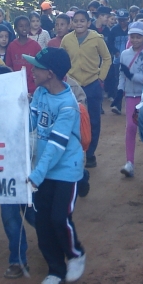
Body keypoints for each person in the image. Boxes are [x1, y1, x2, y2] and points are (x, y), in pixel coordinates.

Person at [23, 47, 86, 284]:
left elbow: (56, 144)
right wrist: (22, 107)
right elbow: (32, 124)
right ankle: (55, 268)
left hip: (65, 170)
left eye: (36, 67)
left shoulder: (68, 105)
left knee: (60, 218)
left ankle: (75, 253)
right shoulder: (39, 92)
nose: (32, 70)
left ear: (49, 73)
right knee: (42, 221)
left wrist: (36, 174)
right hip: (43, 169)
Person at [0, 65, 32, 279]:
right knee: (9, 217)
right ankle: (18, 260)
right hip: (5, 174)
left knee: (35, 217)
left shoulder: (25, 107)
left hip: (28, 172)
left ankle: (61, 245)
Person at [60, 10, 111, 169]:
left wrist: (100, 77)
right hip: (73, 86)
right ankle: (72, 152)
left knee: (93, 120)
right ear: (72, 23)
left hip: (92, 84)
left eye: (83, 21)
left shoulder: (96, 38)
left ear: (89, 23)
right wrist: (65, 78)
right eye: (76, 21)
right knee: (72, 119)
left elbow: (107, 58)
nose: (79, 23)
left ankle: (90, 154)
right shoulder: (67, 40)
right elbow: (61, 59)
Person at [117, 21, 143, 178]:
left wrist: (132, 76)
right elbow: (122, 74)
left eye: (138, 37)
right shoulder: (124, 54)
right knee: (130, 127)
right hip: (130, 95)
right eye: (133, 36)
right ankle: (129, 162)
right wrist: (119, 90)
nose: (135, 39)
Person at [5, 15, 41, 93]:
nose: (24, 28)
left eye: (26, 26)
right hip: (16, 87)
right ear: (16, 29)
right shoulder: (11, 46)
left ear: (30, 27)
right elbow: (9, 66)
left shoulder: (35, 45)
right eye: (21, 26)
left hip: (33, 87)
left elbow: (40, 65)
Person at [106, 9, 131, 114]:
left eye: (124, 20)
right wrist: (115, 51)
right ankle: (117, 105)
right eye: (120, 20)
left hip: (131, 60)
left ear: (127, 19)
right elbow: (109, 43)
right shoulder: (114, 30)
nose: (122, 22)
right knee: (118, 82)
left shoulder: (132, 28)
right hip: (118, 60)